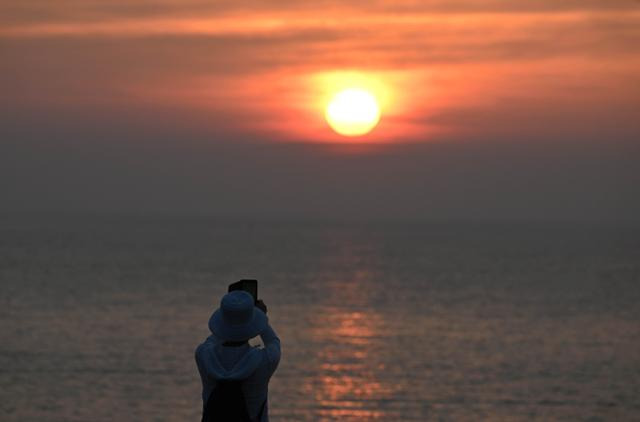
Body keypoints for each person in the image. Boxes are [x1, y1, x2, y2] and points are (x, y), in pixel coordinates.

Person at [195, 290, 281, 422]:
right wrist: (259, 316)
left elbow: (214, 338)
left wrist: (230, 316)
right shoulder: (264, 361)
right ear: (253, 324)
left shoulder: (203, 355)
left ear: (222, 322)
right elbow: (273, 342)